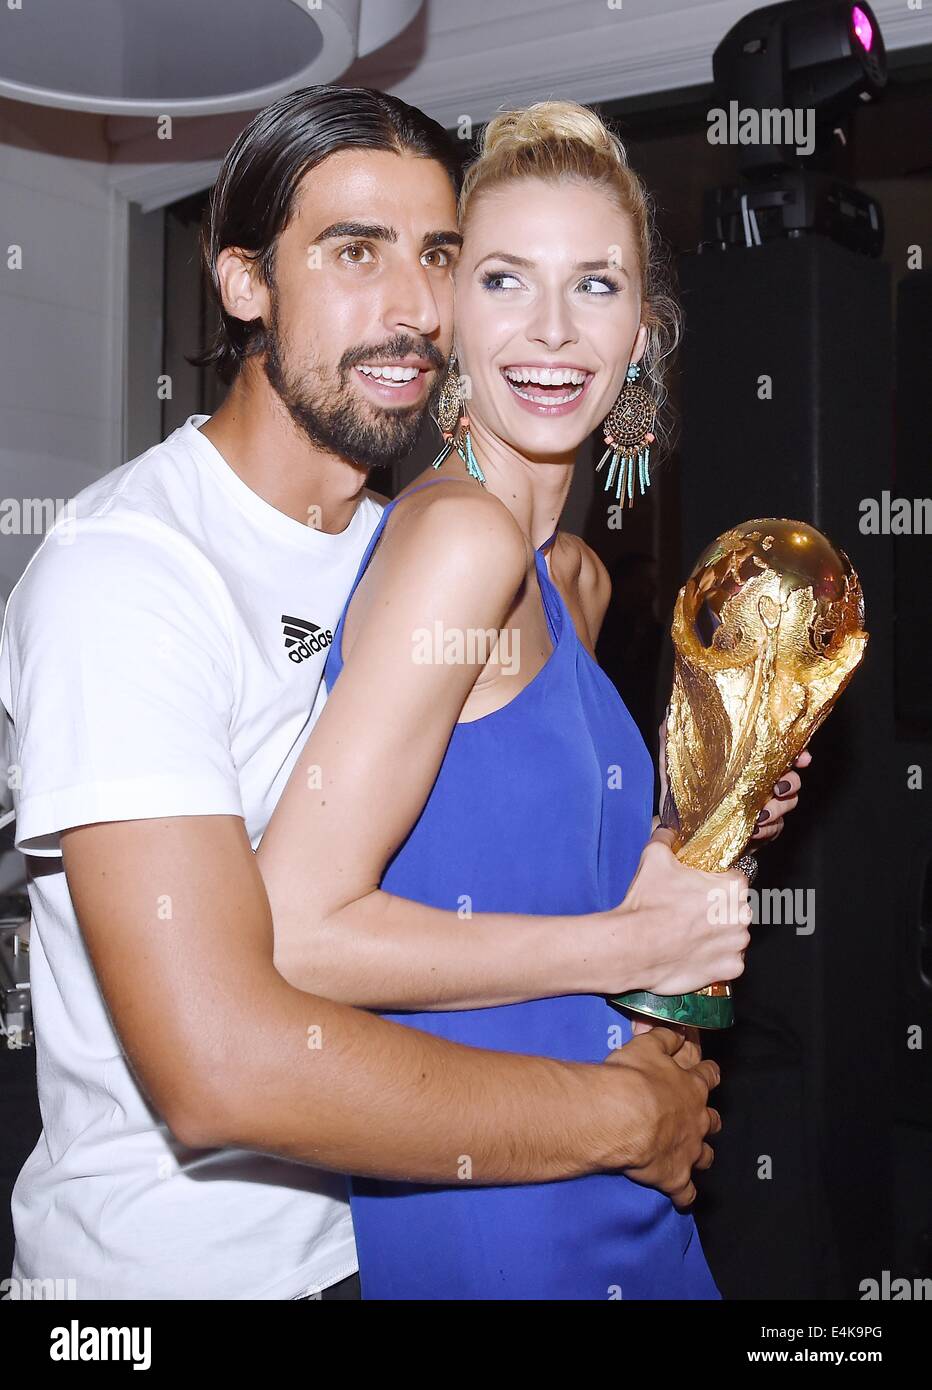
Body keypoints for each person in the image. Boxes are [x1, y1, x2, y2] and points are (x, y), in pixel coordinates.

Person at [0, 85, 804, 1302]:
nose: (410, 306)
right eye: (352, 251)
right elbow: (217, 1061)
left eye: (436, 255)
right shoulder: (131, 570)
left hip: (392, 1227)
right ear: (242, 283)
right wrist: (611, 1111)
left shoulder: (426, 544)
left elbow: (474, 851)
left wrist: (694, 829)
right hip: (189, 1275)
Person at [254, 99, 809, 1299]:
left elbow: (521, 875)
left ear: (643, 333)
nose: (551, 330)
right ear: (450, 319)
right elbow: (290, 935)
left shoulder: (570, 576)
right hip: (502, 1217)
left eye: (596, 286)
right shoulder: (459, 541)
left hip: (619, 1176)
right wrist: (628, 939)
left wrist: (695, 833)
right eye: (504, 279)